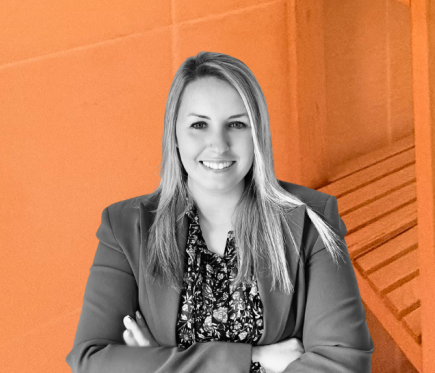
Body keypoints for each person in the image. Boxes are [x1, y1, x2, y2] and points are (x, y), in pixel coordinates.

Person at [68, 52, 373, 372]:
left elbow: (344, 364)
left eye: (237, 124)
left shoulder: (312, 218)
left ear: (257, 134)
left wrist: (161, 362)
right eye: (199, 125)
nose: (219, 145)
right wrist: (256, 358)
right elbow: (91, 360)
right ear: (174, 134)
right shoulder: (125, 227)